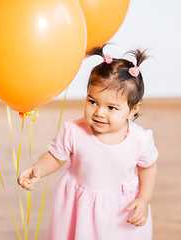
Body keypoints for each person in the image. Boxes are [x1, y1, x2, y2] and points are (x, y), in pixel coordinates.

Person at [17, 45, 158, 240]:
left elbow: (148, 168)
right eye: (93, 102)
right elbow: (55, 157)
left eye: (111, 107)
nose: (99, 112)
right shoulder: (73, 131)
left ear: (133, 109)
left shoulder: (140, 140)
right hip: (80, 205)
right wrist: (39, 169)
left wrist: (144, 199)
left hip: (121, 207)